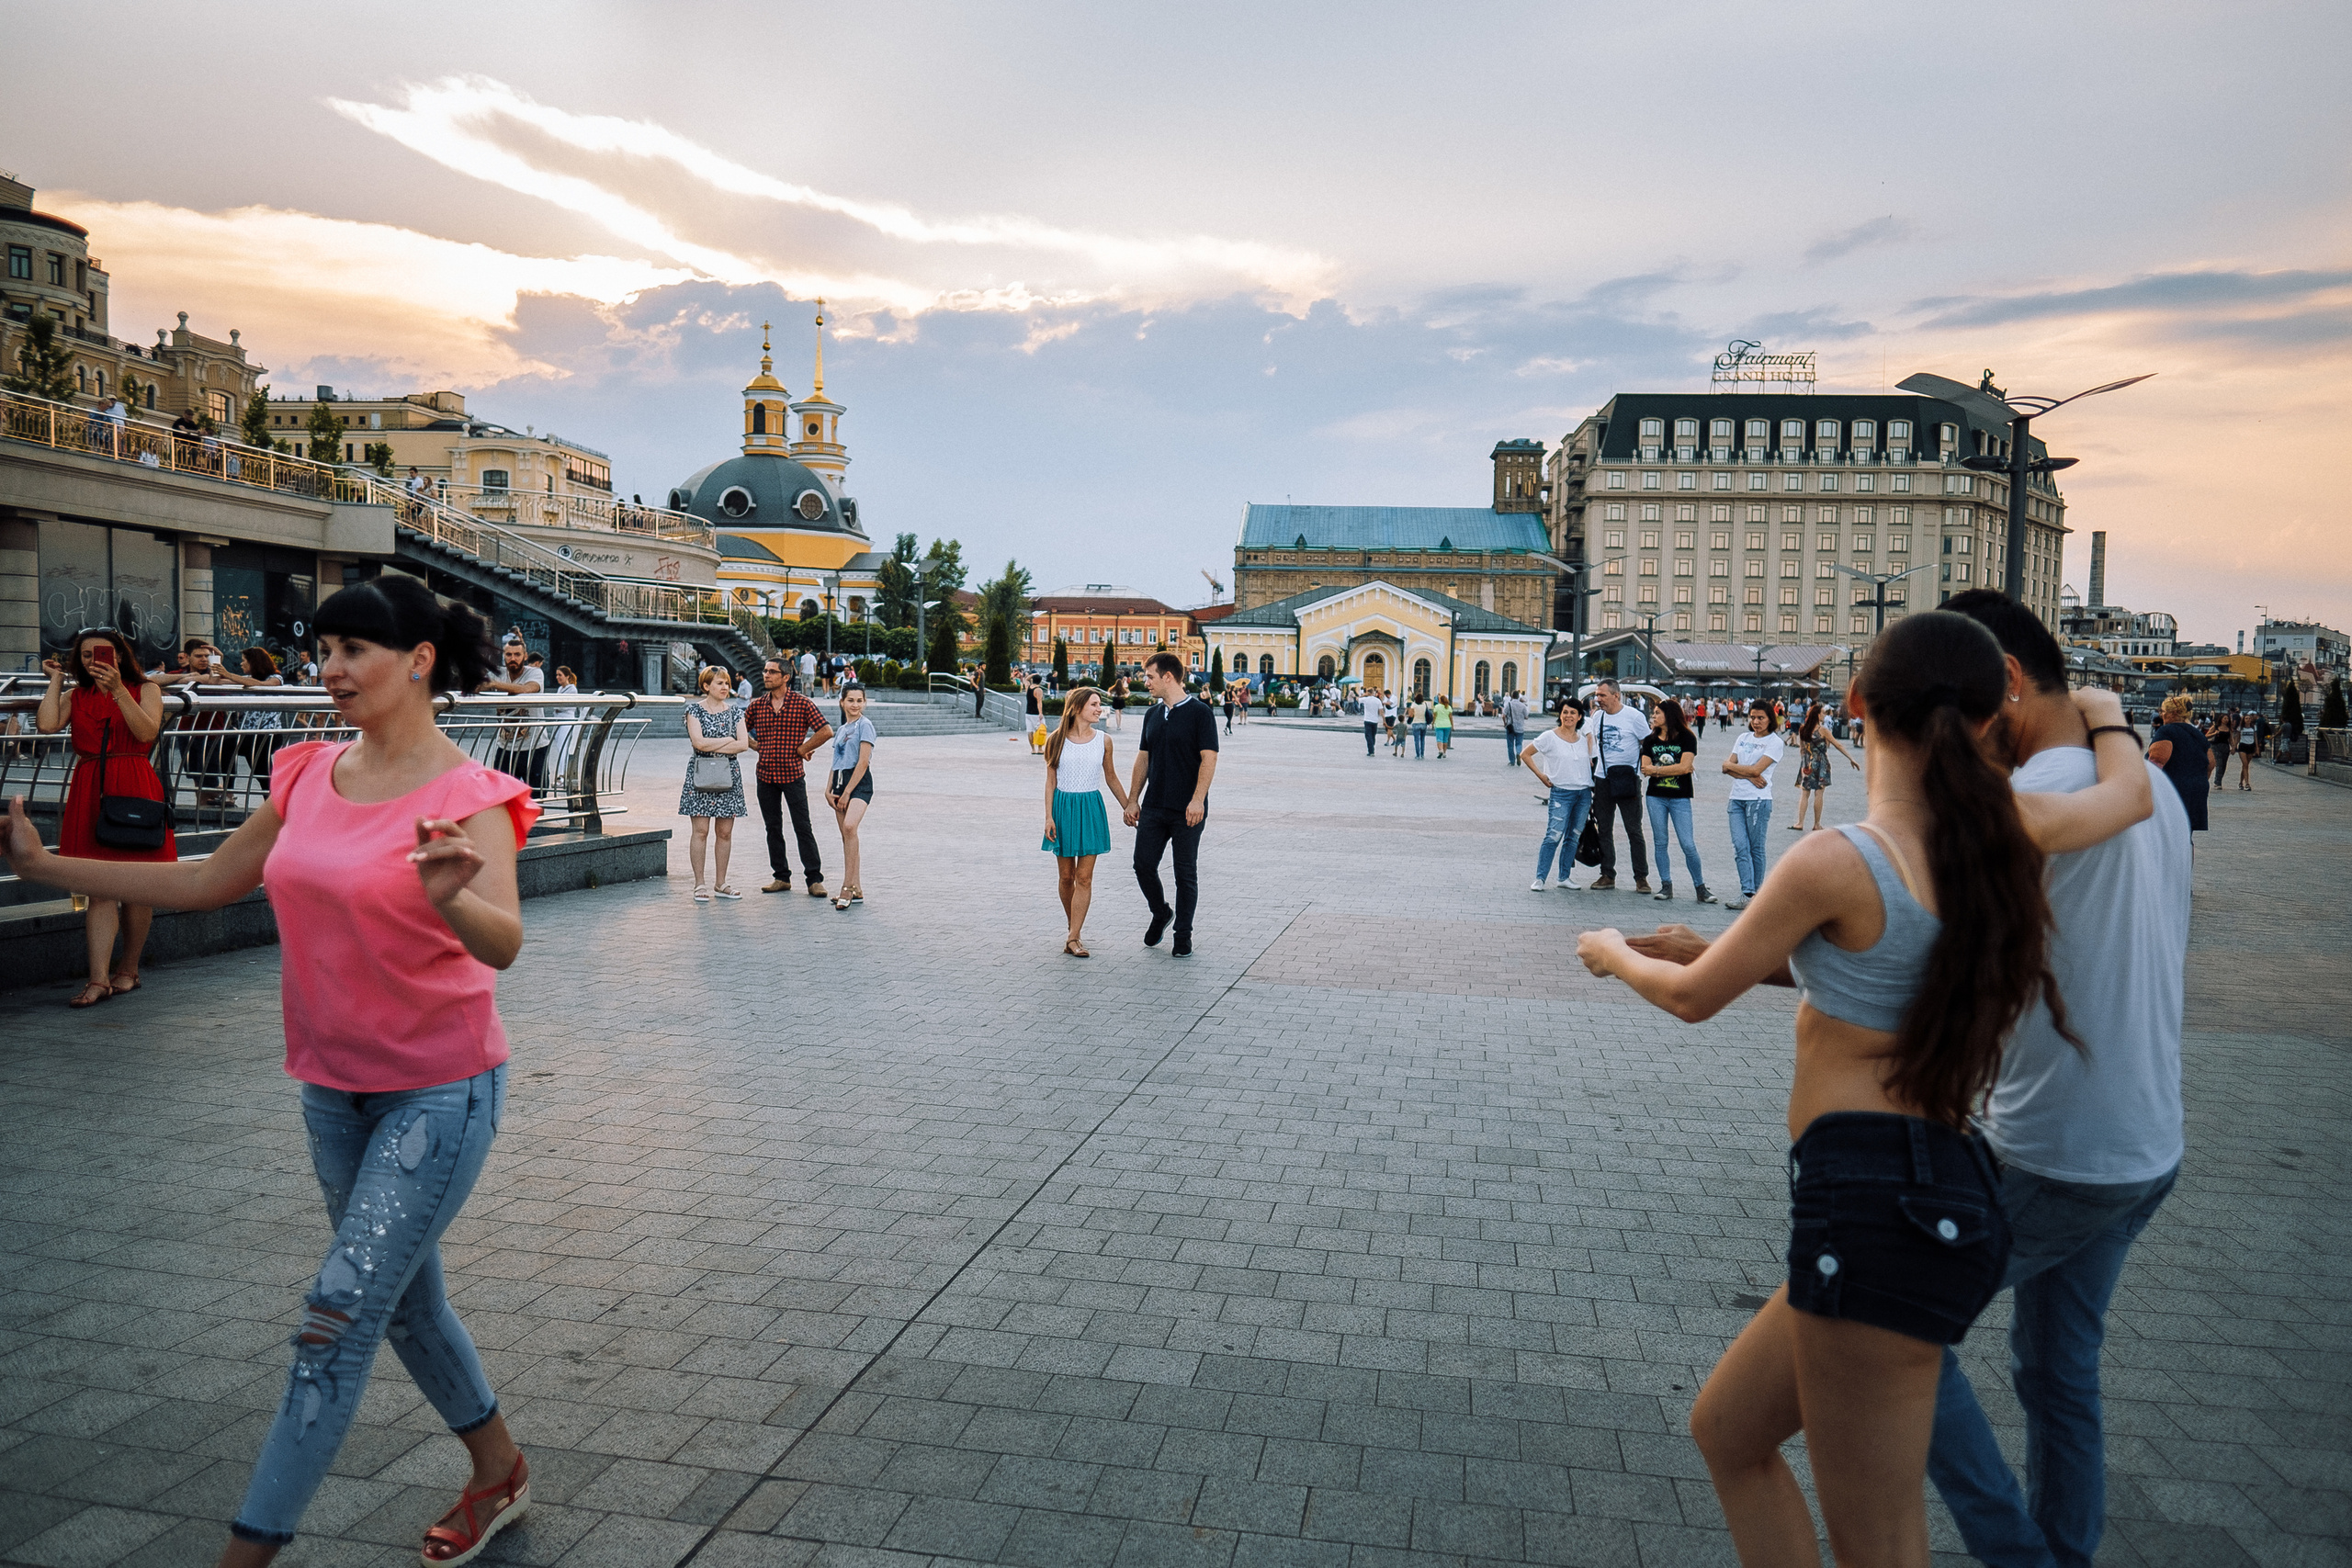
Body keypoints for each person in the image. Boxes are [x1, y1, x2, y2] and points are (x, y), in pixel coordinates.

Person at [1574, 610, 2153, 1568]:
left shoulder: (1834, 860)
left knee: (1877, 1542)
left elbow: (1689, 1000)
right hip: (1928, 1187)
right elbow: (2127, 797)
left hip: (1877, 1206)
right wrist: (2103, 712)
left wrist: (1611, 954)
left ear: (1852, 706)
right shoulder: (2009, 831)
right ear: (1984, 717)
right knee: (1729, 1431)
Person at [6, 574, 537, 1567]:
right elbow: (205, 881)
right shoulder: (302, 775)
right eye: (322, 650)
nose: (328, 670)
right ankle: (498, 1468)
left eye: (352, 653)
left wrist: (451, 896)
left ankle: (245, 1556)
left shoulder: (475, 797)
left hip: (439, 1093)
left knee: (336, 1316)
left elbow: (501, 944)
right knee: (406, 1301)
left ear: (417, 661)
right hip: (332, 1093)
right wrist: (42, 872)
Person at [1925, 588, 2192, 1568]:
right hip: (2144, 1145)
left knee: (1902, 1334)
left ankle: (2021, 1559)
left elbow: (1917, 952)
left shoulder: (2029, 807)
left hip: (2060, 1149)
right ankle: (2063, 1554)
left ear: (2001, 684)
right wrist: (2111, 713)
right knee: (2057, 1372)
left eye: (1952, 709)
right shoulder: (2139, 782)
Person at [34, 627, 173, 1008]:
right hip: (91, 786)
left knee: (138, 886)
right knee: (99, 887)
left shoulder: (146, 689)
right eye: (86, 656)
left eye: (104, 653)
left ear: (120, 656)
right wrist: (58, 680)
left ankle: (128, 969)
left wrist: (117, 691)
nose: (95, 661)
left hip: (133, 781)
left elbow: (146, 732)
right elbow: (46, 724)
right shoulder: (76, 695)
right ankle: (98, 979)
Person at [1125, 651, 1217, 956]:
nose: (1145, 682)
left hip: (1187, 809)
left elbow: (1209, 758)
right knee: (1143, 865)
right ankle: (1161, 912)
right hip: (1154, 807)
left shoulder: (1200, 713)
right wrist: (1133, 799)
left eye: (1149, 676)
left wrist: (1198, 800)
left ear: (1168, 676)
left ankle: (1183, 935)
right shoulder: (1152, 715)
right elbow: (1143, 759)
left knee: (1184, 872)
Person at [1041, 685, 1132, 956]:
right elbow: (1050, 782)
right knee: (1066, 877)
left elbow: (1111, 777)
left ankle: (1074, 936)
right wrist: (1048, 817)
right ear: (1077, 707)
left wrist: (1129, 806)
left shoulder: (1103, 740)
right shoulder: (1056, 739)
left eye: (1099, 704)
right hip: (1063, 808)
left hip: (1091, 808)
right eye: (1094, 704)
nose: (1099, 709)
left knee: (1085, 877)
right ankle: (1074, 929)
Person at [742, 658, 831, 897]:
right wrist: (754, 745)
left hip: (792, 775)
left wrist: (804, 748)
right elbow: (739, 727)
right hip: (765, 776)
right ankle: (781, 877)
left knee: (803, 827)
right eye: (765, 671)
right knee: (773, 827)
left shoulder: (802, 703)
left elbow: (826, 730)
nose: (766, 675)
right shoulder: (758, 705)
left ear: (785, 677)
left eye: (772, 672)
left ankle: (814, 879)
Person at [678, 665, 751, 901]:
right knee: (700, 831)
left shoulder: (736, 712)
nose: (725, 688)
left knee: (725, 832)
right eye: (720, 683)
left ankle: (721, 883)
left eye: (727, 683)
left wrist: (718, 743)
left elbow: (743, 745)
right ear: (706, 686)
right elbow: (698, 743)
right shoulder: (694, 711)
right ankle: (700, 883)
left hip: (728, 775)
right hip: (701, 773)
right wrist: (727, 739)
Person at [1643, 699, 1713, 905]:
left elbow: (1685, 768)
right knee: (1660, 842)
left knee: (1688, 844)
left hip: (1680, 798)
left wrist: (1657, 770)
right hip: (1655, 797)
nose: (1654, 716)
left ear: (1669, 715)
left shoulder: (1687, 737)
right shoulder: (1650, 740)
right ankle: (1666, 885)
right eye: (1653, 713)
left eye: (1657, 713)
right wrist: (1670, 769)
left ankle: (1700, 887)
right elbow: (1645, 768)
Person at [1582, 680, 1651, 893]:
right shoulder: (1598, 716)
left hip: (1627, 779)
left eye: (1602, 695)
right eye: (1596, 695)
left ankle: (1641, 877)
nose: (1597, 699)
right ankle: (1607, 873)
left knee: (1634, 830)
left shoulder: (1634, 717)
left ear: (1616, 695)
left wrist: (1642, 768)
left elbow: (1647, 744)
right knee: (1604, 828)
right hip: (1603, 778)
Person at [1524, 696, 1595, 891]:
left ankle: (1564, 876)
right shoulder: (1549, 737)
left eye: (1573, 712)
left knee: (1573, 837)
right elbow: (1525, 754)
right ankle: (1540, 878)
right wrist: (1541, 775)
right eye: (1565, 712)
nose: (1569, 716)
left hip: (1583, 794)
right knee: (1553, 836)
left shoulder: (1583, 740)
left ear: (1580, 716)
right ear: (1560, 715)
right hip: (1561, 793)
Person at [1722, 703, 1784, 908]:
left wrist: (1739, 769)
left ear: (1770, 719)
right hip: (1737, 799)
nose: (1756, 722)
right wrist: (1749, 776)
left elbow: (1758, 769)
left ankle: (1756, 895)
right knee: (1740, 846)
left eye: (1761, 718)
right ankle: (1746, 891)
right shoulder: (1743, 738)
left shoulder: (1775, 742)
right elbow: (1725, 767)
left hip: (1759, 800)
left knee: (1755, 848)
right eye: (1752, 717)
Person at [820, 684, 877, 908]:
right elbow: (836, 763)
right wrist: (828, 789)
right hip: (840, 782)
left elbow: (863, 762)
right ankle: (857, 887)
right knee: (848, 837)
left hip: (859, 784)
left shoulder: (866, 726)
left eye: (859, 700)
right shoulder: (843, 729)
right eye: (850, 700)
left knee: (850, 827)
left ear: (864, 702)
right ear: (842, 702)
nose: (855, 705)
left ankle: (846, 887)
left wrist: (846, 793)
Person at [478, 639, 547, 790]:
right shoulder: (498, 673)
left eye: (517, 654)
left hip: (534, 746)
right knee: (501, 795)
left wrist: (495, 684)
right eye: (508, 655)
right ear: (504, 657)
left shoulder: (534, 672)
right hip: (505, 746)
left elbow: (529, 689)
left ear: (525, 656)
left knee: (536, 797)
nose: (513, 658)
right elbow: (476, 685)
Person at [1789, 702, 1860, 833]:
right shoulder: (1823, 730)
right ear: (1817, 714)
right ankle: (1817, 824)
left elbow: (1802, 749)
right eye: (1823, 713)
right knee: (1819, 793)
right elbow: (1838, 745)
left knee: (1805, 793)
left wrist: (1805, 765)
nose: (1824, 715)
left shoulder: (1803, 728)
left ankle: (1799, 823)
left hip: (1806, 763)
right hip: (1821, 763)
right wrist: (1851, 758)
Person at [2145, 694, 2211, 833]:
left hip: (2173, 791)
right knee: (2186, 837)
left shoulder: (2166, 731)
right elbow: (2211, 762)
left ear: (2174, 713)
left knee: (2166, 835)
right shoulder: (2197, 734)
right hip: (2197, 790)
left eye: (2164, 712)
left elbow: (2156, 761)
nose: (2161, 715)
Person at [2235, 707, 2267, 790]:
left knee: (2245, 766)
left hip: (2250, 746)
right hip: (2242, 746)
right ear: (2244, 719)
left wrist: (2257, 748)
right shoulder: (2240, 728)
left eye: (2249, 718)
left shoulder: (2253, 727)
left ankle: (2240, 782)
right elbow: (2237, 738)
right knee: (2245, 765)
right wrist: (2234, 747)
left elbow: (2255, 738)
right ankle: (2247, 784)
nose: (2248, 720)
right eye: (2246, 718)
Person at [1501, 688, 1528, 765]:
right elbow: (1526, 716)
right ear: (1518, 696)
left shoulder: (1508, 704)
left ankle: (1512, 761)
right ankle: (1519, 753)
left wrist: (1505, 723)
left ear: (1512, 696)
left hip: (1510, 727)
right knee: (1519, 743)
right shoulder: (1523, 705)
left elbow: (1503, 715)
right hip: (1520, 727)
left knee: (1510, 744)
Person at [1361, 685, 1385, 758]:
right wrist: (1384, 720)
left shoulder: (1365, 699)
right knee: (1373, 735)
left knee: (1368, 736)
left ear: (1368, 692)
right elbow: (1381, 711)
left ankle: (1371, 751)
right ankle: (1372, 748)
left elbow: (1357, 699)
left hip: (1367, 720)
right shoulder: (1378, 700)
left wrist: (1364, 695)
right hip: (1375, 721)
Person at [1433, 694, 1454, 759]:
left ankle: (1440, 750)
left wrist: (1433, 723)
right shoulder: (1449, 707)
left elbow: (1434, 716)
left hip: (1439, 725)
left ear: (1440, 701)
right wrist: (1452, 726)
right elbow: (1451, 717)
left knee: (1439, 739)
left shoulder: (1437, 707)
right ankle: (1445, 753)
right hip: (1447, 725)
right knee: (1445, 740)